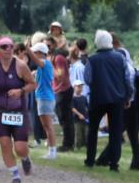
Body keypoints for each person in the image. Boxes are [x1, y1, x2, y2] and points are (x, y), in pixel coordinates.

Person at [0, 36, 37, 183]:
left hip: (18, 111)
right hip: (0, 111)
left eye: (11, 46)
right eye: (4, 47)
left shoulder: (21, 66)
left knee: (20, 148)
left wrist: (21, 91)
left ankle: (25, 158)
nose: (8, 49)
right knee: (5, 144)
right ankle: (15, 176)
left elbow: (33, 84)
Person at [84, 30, 132, 172]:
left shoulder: (92, 59)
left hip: (97, 98)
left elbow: (88, 79)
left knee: (93, 130)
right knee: (115, 132)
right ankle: (114, 164)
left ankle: (90, 160)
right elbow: (127, 78)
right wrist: (128, 96)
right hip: (117, 99)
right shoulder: (120, 58)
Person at [27, 42, 58, 159]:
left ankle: (52, 152)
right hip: (45, 98)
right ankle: (51, 150)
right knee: (47, 126)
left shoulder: (44, 63)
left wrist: (27, 49)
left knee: (48, 127)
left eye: (35, 52)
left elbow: (35, 60)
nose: (34, 54)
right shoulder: (44, 65)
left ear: (40, 53)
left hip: (45, 98)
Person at [52, 44, 74, 153]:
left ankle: (67, 144)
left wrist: (50, 67)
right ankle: (69, 143)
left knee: (64, 119)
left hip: (63, 90)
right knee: (66, 118)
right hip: (62, 90)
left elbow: (60, 75)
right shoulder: (58, 58)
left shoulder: (58, 58)